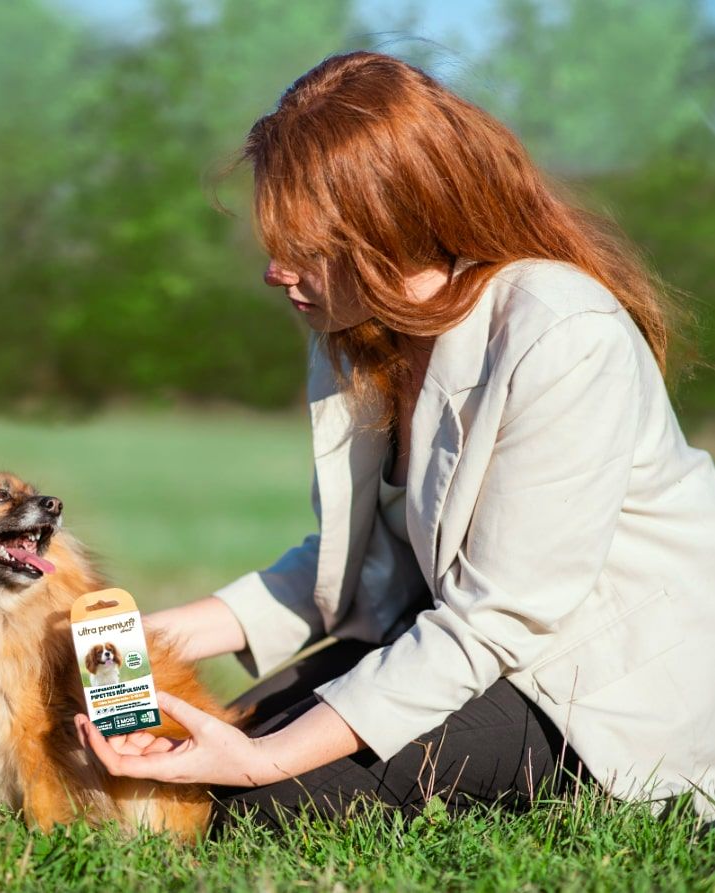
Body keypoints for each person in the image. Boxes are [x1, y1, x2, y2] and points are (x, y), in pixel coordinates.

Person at [74, 51, 715, 828]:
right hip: (454, 638)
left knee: (249, 800)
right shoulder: (357, 331)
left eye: (303, 247)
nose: (274, 272)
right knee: (186, 758)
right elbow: (354, 560)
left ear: (390, 224)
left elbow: (499, 615)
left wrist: (260, 759)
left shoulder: (561, 330)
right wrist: (154, 638)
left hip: (587, 678)